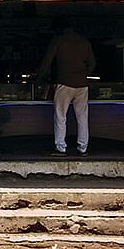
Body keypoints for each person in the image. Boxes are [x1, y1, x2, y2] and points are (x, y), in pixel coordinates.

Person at [38, 16, 95, 157]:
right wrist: (83, 74)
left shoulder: (58, 40)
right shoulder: (83, 41)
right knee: (82, 117)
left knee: (60, 116)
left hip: (64, 83)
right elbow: (92, 63)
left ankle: (60, 147)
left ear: (58, 29)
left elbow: (46, 63)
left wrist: (40, 79)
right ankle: (83, 148)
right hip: (82, 84)